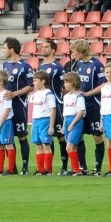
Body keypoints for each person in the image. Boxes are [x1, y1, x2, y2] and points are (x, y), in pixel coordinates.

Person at [69, 39, 107, 175]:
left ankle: (97, 167)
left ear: (80, 51)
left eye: (74, 52)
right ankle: (82, 166)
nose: (72, 54)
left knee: (97, 136)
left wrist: (87, 94)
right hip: (81, 106)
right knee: (79, 136)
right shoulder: (78, 65)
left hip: (94, 105)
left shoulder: (96, 65)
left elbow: (103, 85)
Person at [37, 39, 69, 175]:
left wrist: (62, 102)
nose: (43, 49)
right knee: (47, 137)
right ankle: (47, 168)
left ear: (53, 50)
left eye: (46, 47)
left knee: (61, 136)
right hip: (44, 108)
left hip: (56, 105)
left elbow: (65, 87)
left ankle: (64, 166)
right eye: (42, 46)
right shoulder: (41, 67)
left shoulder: (58, 67)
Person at [2, 37, 33, 175]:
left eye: (5, 48)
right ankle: (12, 167)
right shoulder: (5, 65)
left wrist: (15, 94)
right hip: (7, 106)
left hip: (19, 105)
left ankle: (25, 167)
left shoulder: (25, 66)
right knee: (8, 137)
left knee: (21, 136)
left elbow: (30, 86)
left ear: (12, 49)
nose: (3, 51)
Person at [61, 72, 87, 176]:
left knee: (69, 147)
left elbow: (81, 111)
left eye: (66, 82)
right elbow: (65, 113)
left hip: (75, 121)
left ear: (73, 83)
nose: (65, 84)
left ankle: (77, 170)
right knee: (73, 147)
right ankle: (75, 168)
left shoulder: (79, 97)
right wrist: (64, 125)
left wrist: (73, 123)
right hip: (67, 120)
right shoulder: (66, 96)